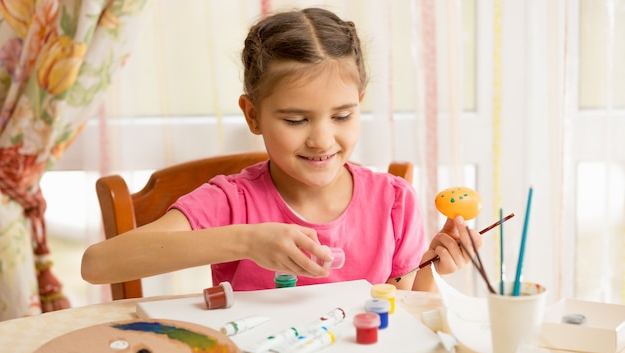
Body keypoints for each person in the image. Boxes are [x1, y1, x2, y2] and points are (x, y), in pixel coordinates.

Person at [81, 7, 481, 293]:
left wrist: (435, 268)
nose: (322, 140)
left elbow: (404, 302)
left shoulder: (393, 200)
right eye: (295, 120)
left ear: (360, 101)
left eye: (342, 116)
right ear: (253, 115)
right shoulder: (232, 201)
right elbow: (98, 264)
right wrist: (247, 242)